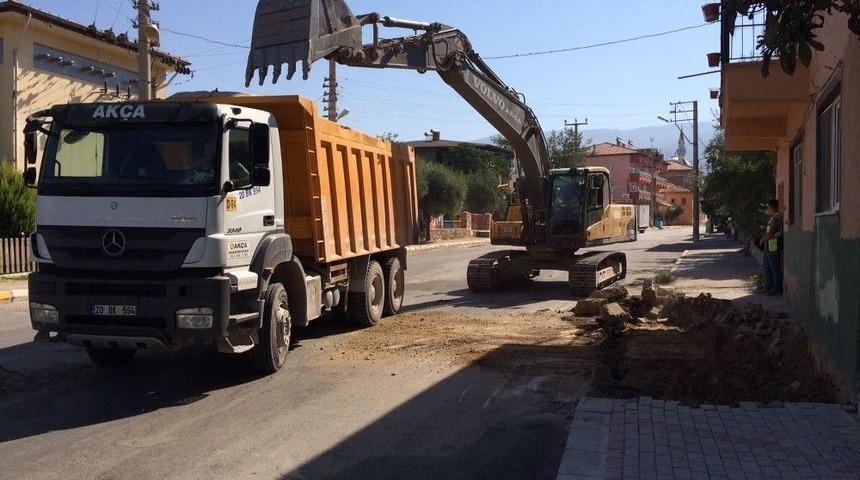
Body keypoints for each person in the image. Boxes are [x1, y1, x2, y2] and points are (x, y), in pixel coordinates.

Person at [760, 198, 783, 295]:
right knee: (767, 268)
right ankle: (768, 287)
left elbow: (771, 233)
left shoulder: (776, 218)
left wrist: (762, 239)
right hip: (768, 246)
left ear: (772, 207)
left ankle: (776, 289)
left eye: (768, 207)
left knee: (774, 269)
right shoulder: (772, 218)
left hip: (773, 247)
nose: (767, 209)